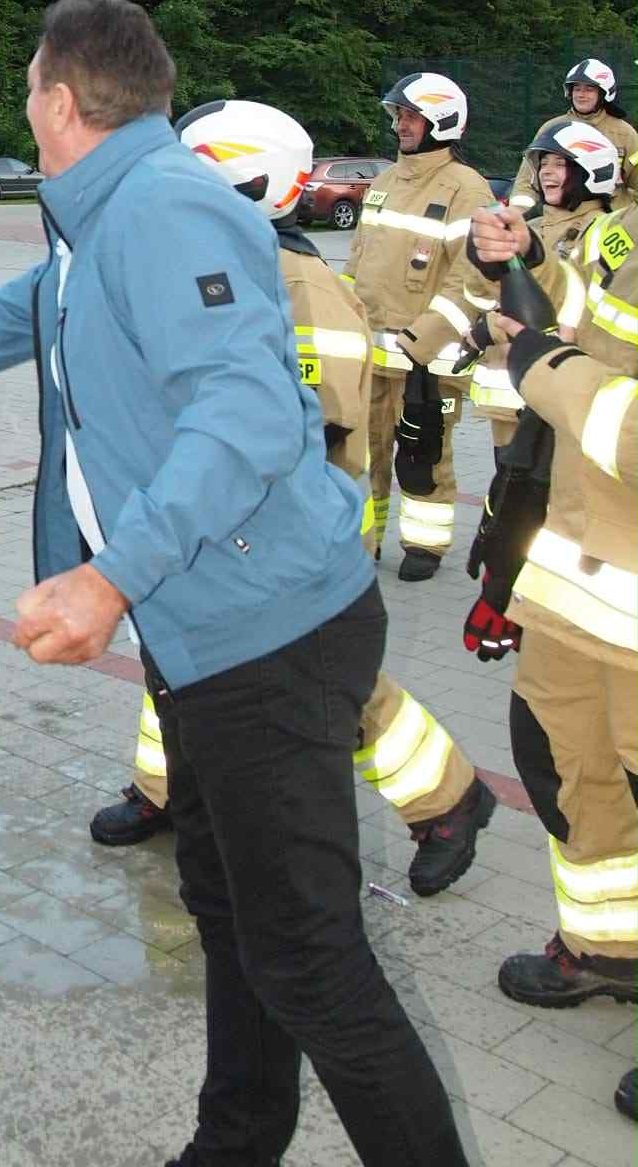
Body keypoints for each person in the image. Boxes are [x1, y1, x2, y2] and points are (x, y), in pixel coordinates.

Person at [0, 0, 468, 1167]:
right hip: (207, 640)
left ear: (58, 101)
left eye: (27, 88)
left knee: (310, 960)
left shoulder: (164, 210)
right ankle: (234, 1145)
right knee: (232, 917)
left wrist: (108, 580)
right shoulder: (90, 228)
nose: (24, 105)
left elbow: (247, 416)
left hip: (269, 635)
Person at [90, 100, 493, 899]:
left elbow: (324, 430)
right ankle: (166, 787)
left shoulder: (301, 287)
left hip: (276, 535)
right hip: (198, 520)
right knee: (175, 653)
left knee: (321, 680)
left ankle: (447, 800)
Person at [466, 198, 637, 1069]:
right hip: (588, 580)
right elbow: (604, 325)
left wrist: (547, 368)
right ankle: (611, 950)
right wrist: (530, 263)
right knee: (570, 768)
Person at [342, 74, 491, 581]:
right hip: (373, 355)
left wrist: (422, 340)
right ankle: (365, 542)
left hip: (427, 361)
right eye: (399, 116)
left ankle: (424, 545)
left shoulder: (466, 189)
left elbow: (471, 277)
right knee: (367, 454)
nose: (400, 125)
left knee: (425, 456)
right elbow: (357, 261)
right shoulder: (384, 182)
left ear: (441, 122)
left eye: (411, 117)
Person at [462, 120, 620, 435]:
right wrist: (482, 263)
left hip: (558, 399)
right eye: (543, 164)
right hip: (507, 399)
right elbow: (479, 296)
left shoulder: (603, 231)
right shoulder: (529, 229)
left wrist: (490, 327)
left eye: (560, 164)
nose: (546, 172)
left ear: (593, 171)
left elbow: (572, 305)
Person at [508, 58, 637, 213]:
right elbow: (527, 180)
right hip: (561, 218)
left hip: (610, 219)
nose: (581, 95)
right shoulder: (551, 128)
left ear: (604, 93)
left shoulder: (624, 133)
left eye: (589, 89)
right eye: (576, 89)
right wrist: (516, 213)